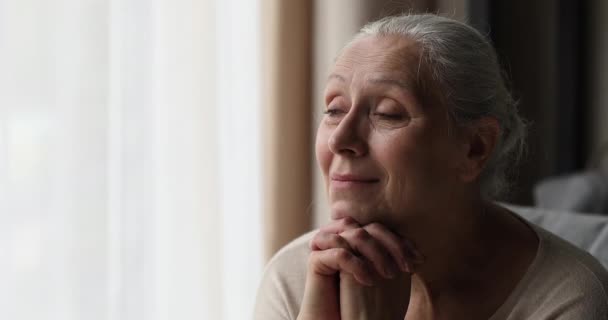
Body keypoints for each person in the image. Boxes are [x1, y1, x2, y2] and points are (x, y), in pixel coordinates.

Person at [254, 13, 608, 319]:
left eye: (388, 113)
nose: (339, 138)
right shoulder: (296, 277)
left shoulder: (570, 299)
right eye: (334, 109)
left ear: (474, 147)